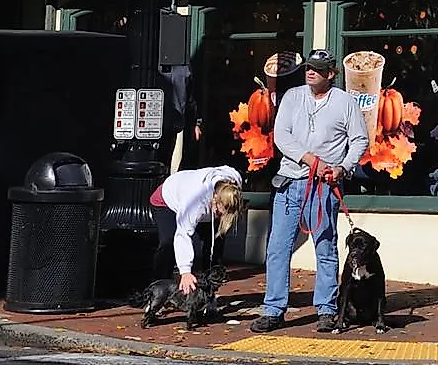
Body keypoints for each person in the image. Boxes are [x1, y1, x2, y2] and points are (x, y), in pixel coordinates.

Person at [253, 48, 369, 335]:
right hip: (289, 183)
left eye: (317, 68)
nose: (310, 71)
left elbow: (359, 140)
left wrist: (342, 167)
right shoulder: (292, 97)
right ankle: (273, 310)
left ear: (331, 74)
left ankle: (327, 310)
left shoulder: (345, 103)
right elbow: (281, 136)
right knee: (278, 249)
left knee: (326, 247)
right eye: (308, 67)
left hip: (325, 187)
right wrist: (310, 160)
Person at [148, 164, 243, 299]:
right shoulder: (195, 201)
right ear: (215, 200)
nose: (222, 217)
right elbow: (183, 234)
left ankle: (208, 295)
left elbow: (228, 169)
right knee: (168, 243)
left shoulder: (232, 187)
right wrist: (185, 271)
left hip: (200, 202)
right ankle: (157, 291)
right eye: (220, 213)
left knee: (216, 242)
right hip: (166, 200)